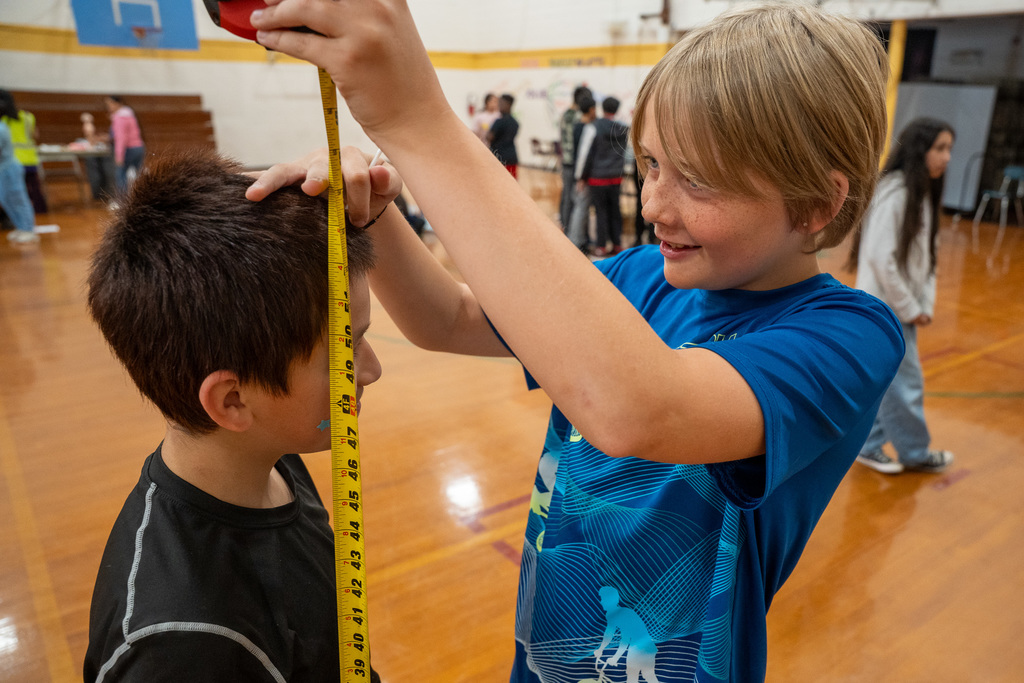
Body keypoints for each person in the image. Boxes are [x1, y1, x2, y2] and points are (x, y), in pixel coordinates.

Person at [249, 1, 905, 680]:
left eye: (699, 179)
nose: (653, 205)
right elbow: (447, 320)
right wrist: (376, 213)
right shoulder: (644, 274)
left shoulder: (848, 336)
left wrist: (417, 117)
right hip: (546, 655)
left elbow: (636, 409)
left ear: (818, 204)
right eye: (651, 164)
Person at [83, 148, 394, 682]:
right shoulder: (179, 650)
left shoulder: (270, 459)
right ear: (231, 401)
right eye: (347, 351)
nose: (372, 370)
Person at [848, 118, 957, 475]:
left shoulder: (921, 192)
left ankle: (868, 444)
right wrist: (910, 308)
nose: (947, 157)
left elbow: (926, 258)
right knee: (906, 383)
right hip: (885, 311)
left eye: (948, 149)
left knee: (890, 383)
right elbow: (882, 259)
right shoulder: (895, 192)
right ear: (919, 149)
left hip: (903, 311)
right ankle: (915, 453)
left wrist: (923, 305)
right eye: (940, 148)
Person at [576, 96, 630, 256]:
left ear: (602, 108)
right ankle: (617, 244)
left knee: (600, 211)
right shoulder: (622, 129)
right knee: (615, 209)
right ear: (616, 109)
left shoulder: (593, 127)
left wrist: (581, 176)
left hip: (597, 177)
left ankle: (600, 245)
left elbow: (585, 154)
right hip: (615, 176)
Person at [0, 89, 47, 214]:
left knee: (18, 193)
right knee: (34, 188)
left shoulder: (3, 121)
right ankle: (40, 210)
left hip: (13, 160)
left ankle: (24, 221)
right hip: (30, 157)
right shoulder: (27, 116)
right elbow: (34, 134)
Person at [0, 117, 40, 245]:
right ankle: (20, 227)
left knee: (18, 199)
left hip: (9, 168)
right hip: (3, 169)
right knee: (6, 200)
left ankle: (28, 229)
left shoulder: (1, 127)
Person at [565, 94, 597, 252]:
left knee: (580, 206)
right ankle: (575, 242)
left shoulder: (578, 126)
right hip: (582, 174)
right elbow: (583, 154)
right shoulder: (587, 128)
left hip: (578, 171)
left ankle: (580, 239)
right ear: (591, 109)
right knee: (581, 207)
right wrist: (580, 177)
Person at [558, 85, 592, 230]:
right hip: (575, 162)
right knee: (575, 199)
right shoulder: (577, 117)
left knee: (566, 196)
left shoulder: (565, 114)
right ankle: (570, 231)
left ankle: (565, 226)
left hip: (566, 161)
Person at [105, 95, 145, 191]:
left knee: (121, 175)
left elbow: (121, 138)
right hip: (139, 147)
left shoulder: (119, 118)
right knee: (139, 175)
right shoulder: (130, 115)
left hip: (129, 149)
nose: (109, 106)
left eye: (110, 103)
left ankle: (123, 200)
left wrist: (119, 156)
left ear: (118, 103)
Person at [487, 93, 519, 178]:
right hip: (511, 157)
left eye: (500, 103)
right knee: (511, 186)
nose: (498, 105)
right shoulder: (515, 123)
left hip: (499, 158)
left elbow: (489, 137)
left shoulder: (499, 122)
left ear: (507, 104)